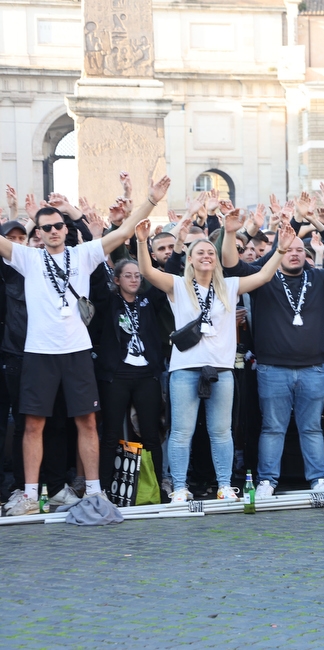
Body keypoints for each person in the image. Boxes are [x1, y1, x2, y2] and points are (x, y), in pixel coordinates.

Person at [0, 178, 168, 516]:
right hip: (38, 352)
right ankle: (32, 495)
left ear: (66, 227)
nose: (52, 231)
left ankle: (95, 491)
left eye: (58, 225)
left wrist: (150, 200)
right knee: (33, 424)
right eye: (45, 227)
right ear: (39, 232)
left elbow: (121, 235)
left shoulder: (83, 254)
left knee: (87, 421)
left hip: (76, 352)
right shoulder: (28, 258)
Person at [135, 213, 298, 503]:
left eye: (211, 252)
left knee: (221, 432)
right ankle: (181, 488)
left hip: (221, 369)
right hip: (185, 368)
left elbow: (263, 276)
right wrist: (141, 241)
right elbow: (147, 272)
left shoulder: (229, 286)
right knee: (182, 432)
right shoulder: (178, 285)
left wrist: (281, 250)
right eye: (200, 252)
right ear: (190, 259)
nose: (207, 256)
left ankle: (224, 486)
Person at [221, 204, 324, 497]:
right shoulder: (262, 277)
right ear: (280, 250)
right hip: (272, 369)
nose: (295, 253)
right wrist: (231, 233)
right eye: (289, 249)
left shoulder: (321, 277)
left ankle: (318, 479)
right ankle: (267, 480)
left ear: (306, 255)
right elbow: (231, 265)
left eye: (300, 250)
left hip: (313, 368)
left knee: (311, 428)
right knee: (272, 428)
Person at [92, 259, 166, 493]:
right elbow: (94, 283)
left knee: (151, 435)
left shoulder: (147, 301)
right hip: (116, 377)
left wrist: (177, 246)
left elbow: (164, 278)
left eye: (137, 275)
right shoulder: (109, 302)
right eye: (128, 275)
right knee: (110, 434)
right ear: (117, 280)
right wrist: (94, 243)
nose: (134, 279)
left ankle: (156, 487)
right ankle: (103, 488)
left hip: (146, 376)